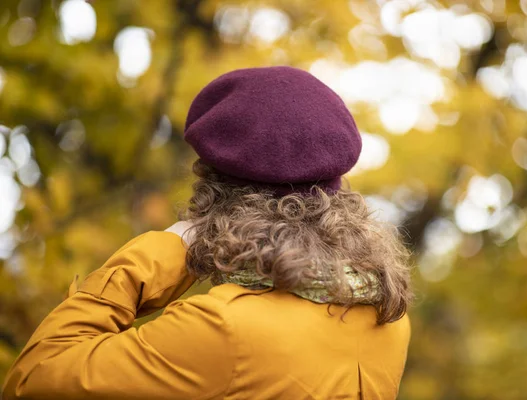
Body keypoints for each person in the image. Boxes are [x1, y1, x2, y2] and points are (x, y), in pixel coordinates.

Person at [2, 66, 412, 399]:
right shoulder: (386, 314)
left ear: (216, 199)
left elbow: (34, 379)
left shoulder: (225, 328)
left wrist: (167, 248)